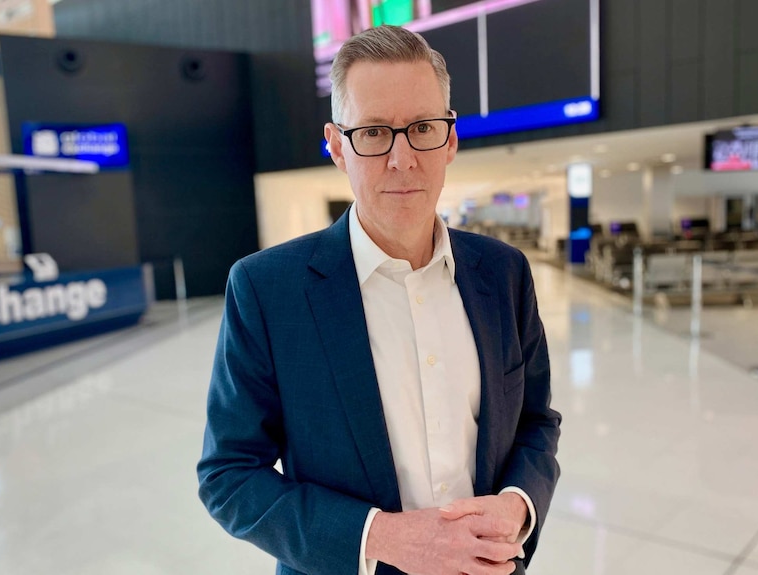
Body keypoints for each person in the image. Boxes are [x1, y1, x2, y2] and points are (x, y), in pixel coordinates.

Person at [197, 25, 561, 575]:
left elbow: (536, 421)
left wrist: (519, 505)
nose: (402, 158)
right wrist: (379, 537)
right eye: (372, 133)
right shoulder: (268, 289)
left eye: (422, 128)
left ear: (451, 138)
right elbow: (227, 475)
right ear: (338, 145)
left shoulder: (503, 273)